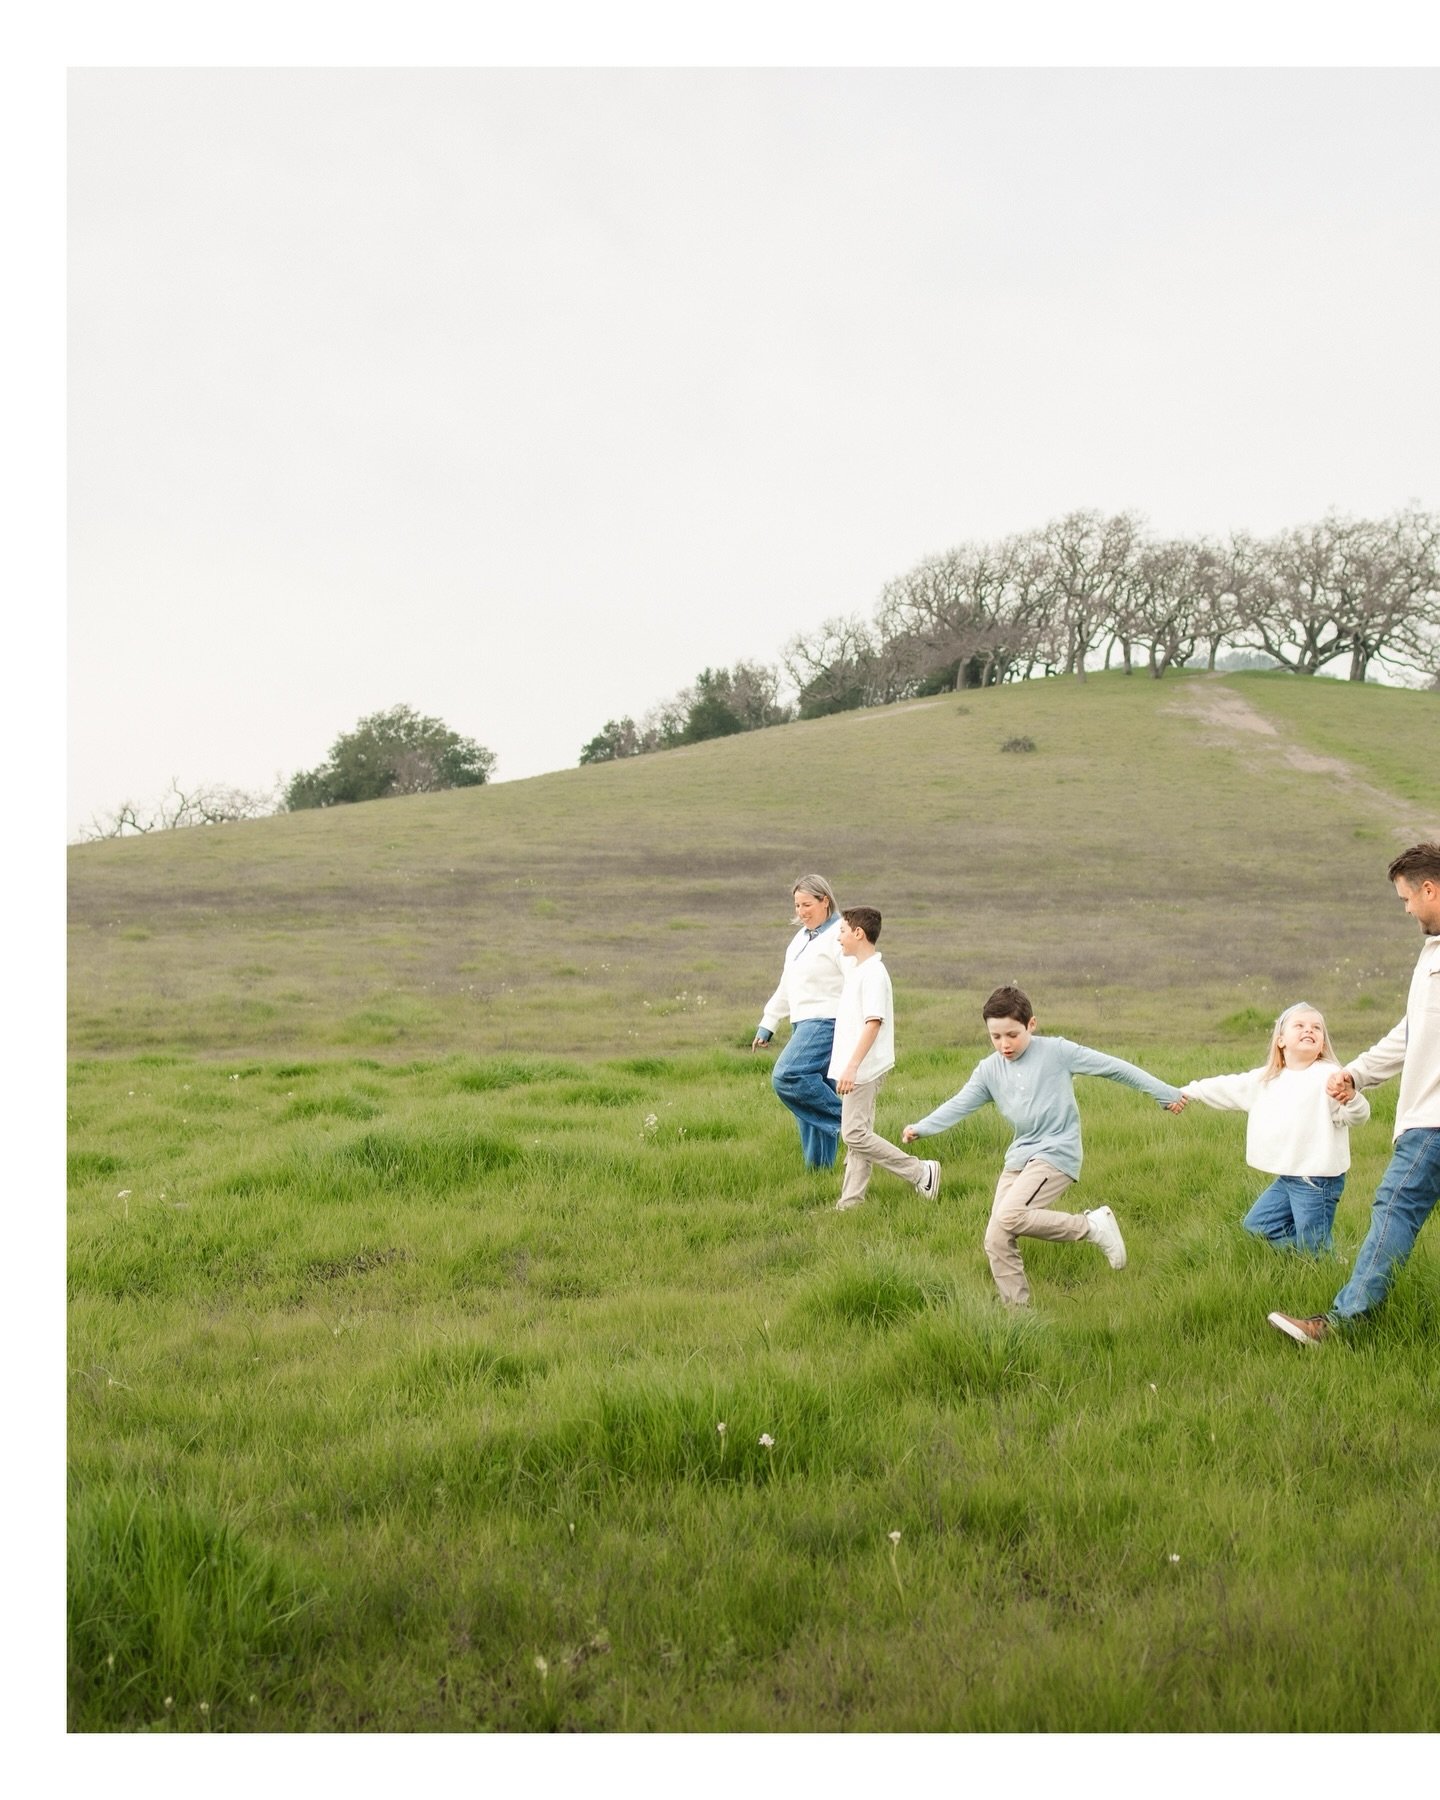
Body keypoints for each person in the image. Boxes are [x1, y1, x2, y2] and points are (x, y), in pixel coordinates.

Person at [901, 984, 1183, 1306]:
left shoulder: (1057, 1052)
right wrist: (922, 1127)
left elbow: (1114, 1068)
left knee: (1009, 1215)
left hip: (1056, 1152)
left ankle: (1092, 1226)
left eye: (1012, 1034)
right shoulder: (989, 1070)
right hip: (1019, 1158)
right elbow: (960, 1103)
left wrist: (1165, 1094)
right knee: (996, 1237)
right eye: (996, 1036)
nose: (1004, 1045)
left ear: (1031, 1025)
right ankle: (1017, 1316)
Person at [1269, 843, 1440, 1344]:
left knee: (1395, 1207)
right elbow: (1413, 1032)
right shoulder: (1432, 954)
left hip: (1433, 1121)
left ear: (1429, 889)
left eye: (1406, 899)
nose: (1406, 909)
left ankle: (1343, 1325)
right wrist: (1357, 1073)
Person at [1176, 1002, 1369, 1254]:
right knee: (1258, 1227)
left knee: (1314, 1247)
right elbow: (1226, 1086)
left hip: (1317, 1179)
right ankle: (1305, 1256)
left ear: (1322, 1043)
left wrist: (1352, 1099)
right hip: (1289, 1176)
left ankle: (1320, 1264)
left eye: (1316, 1028)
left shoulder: (1329, 1076)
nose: (1309, 1030)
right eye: (1299, 1025)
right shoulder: (1267, 1079)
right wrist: (1187, 1092)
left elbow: (1357, 1117)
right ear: (1281, 1040)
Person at [827, 905, 941, 1211]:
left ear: (858, 933)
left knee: (854, 1134)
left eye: (842, 931)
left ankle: (920, 1171)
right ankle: (851, 1204)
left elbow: (873, 1023)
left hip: (863, 1069)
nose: (838, 937)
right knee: (859, 1135)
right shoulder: (859, 970)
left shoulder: (874, 974)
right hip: (857, 1067)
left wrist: (852, 1067)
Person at [751, 874, 847, 1169]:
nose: (801, 911)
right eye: (797, 905)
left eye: (807, 905)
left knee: (788, 1076)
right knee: (809, 1099)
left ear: (825, 901)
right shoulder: (800, 939)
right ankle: (819, 1172)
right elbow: (787, 984)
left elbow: (857, 980)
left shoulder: (841, 934)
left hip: (827, 1021)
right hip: (802, 1023)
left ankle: (853, 1126)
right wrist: (769, 1022)